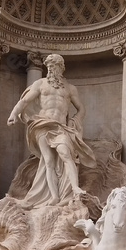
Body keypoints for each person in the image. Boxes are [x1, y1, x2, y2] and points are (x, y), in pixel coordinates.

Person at [7, 53, 96, 207]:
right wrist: (13, 114)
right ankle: (54, 196)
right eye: (48, 66)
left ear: (61, 68)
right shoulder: (40, 84)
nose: (50, 70)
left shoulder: (70, 88)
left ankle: (75, 188)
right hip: (42, 124)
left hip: (60, 127)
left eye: (53, 66)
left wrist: (76, 120)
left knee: (65, 153)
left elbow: (81, 108)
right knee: (48, 161)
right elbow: (24, 101)